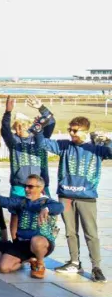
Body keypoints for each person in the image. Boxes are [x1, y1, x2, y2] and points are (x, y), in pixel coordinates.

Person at [36, 115, 112, 283]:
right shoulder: (64, 145)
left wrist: (107, 141)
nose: (71, 133)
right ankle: (74, 262)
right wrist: (39, 128)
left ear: (85, 131)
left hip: (87, 197)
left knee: (91, 233)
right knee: (70, 232)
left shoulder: (96, 149)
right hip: (66, 196)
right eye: (70, 129)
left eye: (75, 130)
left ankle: (96, 267)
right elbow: (43, 143)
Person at [0, 176, 63, 279]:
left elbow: (60, 207)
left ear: (40, 188)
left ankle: (39, 263)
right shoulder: (22, 202)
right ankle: (28, 260)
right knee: (3, 268)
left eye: (30, 187)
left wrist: (47, 209)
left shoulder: (47, 202)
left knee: (36, 241)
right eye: (25, 186)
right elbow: (7, 201)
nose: (26, 189)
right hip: (22, 243)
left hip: (42, 243)